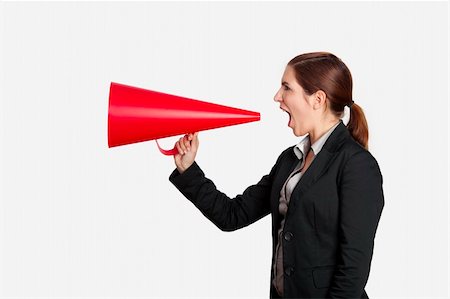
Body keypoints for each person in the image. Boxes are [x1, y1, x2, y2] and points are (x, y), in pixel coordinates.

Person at [169, 52, 384, 298]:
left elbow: (353, 270)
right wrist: (188, 168)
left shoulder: (356, 165)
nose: (277, 97)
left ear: (318, 99)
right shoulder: (289, 160)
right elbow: (232, 215)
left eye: (286, 87)